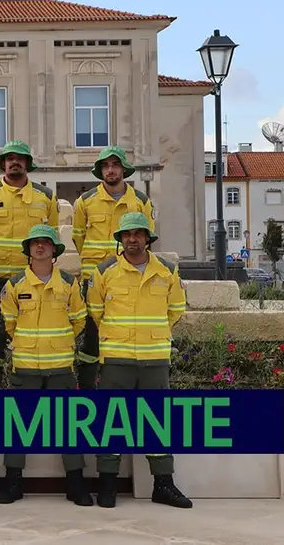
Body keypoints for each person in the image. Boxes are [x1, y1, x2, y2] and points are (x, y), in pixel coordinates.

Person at [87, 213, 191, 509]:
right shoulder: (105, 270)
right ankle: (107, 487)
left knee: (158, 423)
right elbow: (96, 310)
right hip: (116, 359)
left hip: (154, 358)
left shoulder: (167, 271)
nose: (132, 238)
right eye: (127, 234)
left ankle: (164, 485)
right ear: (120, 239)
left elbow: (176, 309)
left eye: (138, 234)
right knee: (111, 423)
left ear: (148, 238)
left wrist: (151, 335)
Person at [0, 225, 89, 506]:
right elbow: (9, 324)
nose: (40, 247)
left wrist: (57, 344)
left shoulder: (69, 284)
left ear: (54, 251)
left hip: (60, 366)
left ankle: (75, 484)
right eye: (35, 243)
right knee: (18, 426)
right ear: (28, 250)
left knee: (68, 426)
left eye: (45, 243)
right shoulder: (14, 285)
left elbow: (79, 320)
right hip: (25, 366)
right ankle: (13, 482)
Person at [0, 140, 58, 390]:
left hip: (30, 279)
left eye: (20, 158)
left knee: (29, 334)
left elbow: (52, 234)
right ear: (3, 164)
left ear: (27, 163)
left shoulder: (46, 197)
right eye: (10, 158)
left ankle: (27, 387)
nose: (14, 162)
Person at [71, 146, 155, 389]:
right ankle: (86, 388)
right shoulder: (85, 201)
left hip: (127, 279)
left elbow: (147, 237)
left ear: (123, 169)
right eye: (106, 166)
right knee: (90, 338)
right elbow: (78, 237)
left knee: (122, 332)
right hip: (93, 279)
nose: (110, 170)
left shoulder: (140, 201)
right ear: (100, 170)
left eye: (115, 165)